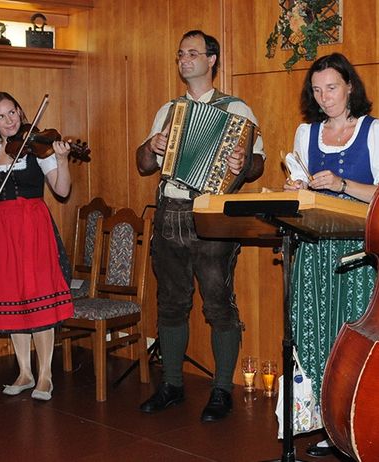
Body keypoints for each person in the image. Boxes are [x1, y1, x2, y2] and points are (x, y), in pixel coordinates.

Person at [135, 29, 266, 422]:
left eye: (192, 53)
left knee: (218, 304)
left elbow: (257, 163)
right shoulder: (169, 110)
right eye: (180, 55)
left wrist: (241, 163)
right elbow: (143, 165)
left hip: (211, 212)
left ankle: (222, 390)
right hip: (170, 210)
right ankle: (172, 384)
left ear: (212, 60)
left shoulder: (237, 109)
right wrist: (152, 146)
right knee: (171, 302)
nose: (184, 60)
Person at [281, 52, 379, 457]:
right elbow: (304, 190)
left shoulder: (375, 131)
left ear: (350, 86)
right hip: (315, 249)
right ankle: (327, 424)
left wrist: (342, 182)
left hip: (359, 251)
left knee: (354, 338)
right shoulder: (306, 134)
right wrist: (295, 191)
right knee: (317, 336)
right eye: (317, 91)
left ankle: (361, 422)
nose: (324, 97)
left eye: (331, 88)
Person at [0, 92, 75, 401]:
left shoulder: (38, 147)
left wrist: (61, 159)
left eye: (13, 112)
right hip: (2, 230)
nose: (10, 120)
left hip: (33, 225)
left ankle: (45, 375)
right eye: (2, 116)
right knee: (13, 297)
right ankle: (24, 371)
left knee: (38, 297)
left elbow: (61, 190)